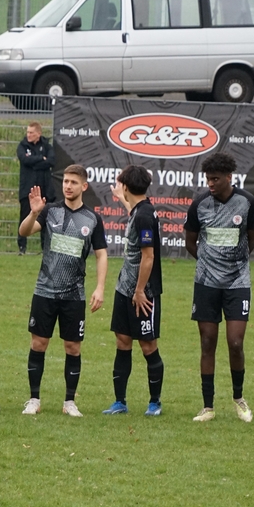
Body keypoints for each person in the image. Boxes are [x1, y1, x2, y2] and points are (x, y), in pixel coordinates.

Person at [18, 164, 108, 416]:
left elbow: (101, 255)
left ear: (84, 186)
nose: (68, 186)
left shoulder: (92, 219)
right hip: (44, 291)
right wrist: (33, 213)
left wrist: (100, 288)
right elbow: (24, 231)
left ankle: (69, 402)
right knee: (38, 343)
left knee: (73, 347)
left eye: (73, 182)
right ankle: (34, 399)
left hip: (74, 295)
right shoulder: (50, 211)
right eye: (66, 181)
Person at [184, 152, 254, 423]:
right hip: (206, 283)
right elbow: (190, 242)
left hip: (237, 283)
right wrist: (210, 264)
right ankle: (208, 407)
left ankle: (239, 399)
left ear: (229, 177)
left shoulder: (246, 202)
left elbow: (252, 239)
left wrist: (233, 264)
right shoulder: (199, 204)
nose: (211, 184)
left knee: (235, 342)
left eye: (216, 179)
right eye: (208, 179)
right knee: (207, 342)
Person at [102, 164, 164, 417]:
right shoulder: (139, 210)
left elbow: (148, 257)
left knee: (148, 345)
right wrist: (121, 199)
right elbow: (134, 214)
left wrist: (139, 291)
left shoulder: (145, 215)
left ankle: (155, 403)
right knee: (123, 341)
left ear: (126, 186)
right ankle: (120, 402)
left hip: (143, 293)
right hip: (124, 288)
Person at [16, 122, 55, 255]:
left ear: (39, 133)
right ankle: (22, 247)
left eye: (31, 132)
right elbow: (24, 159)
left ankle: (45, 248)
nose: (28, 135)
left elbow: (51, 161)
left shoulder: (47, 146)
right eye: (27, 132)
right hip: (27, 189)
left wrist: (34, 163)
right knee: (24, 217)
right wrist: (41, 159)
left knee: (46, 218)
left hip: (45, 188)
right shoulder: (22, 146)